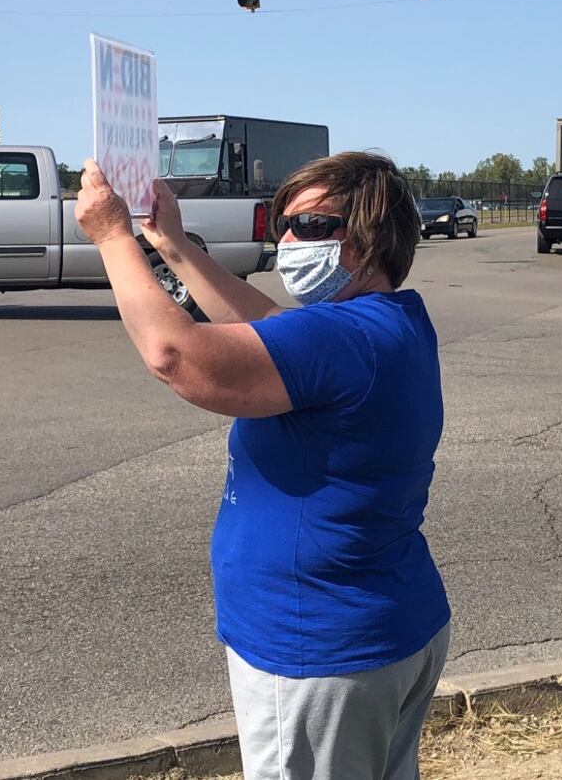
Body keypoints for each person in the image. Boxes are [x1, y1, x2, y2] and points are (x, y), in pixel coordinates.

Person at [74, 152, 450, 780]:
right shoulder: (382, 323)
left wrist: (113, 238)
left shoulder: (345, 338)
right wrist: (170, 244)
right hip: (378, 631)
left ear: (365, 239)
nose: (287, 241)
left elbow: (178, 357)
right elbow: (271, 326)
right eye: (283, 224)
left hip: (319, 648)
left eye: (308, 226)